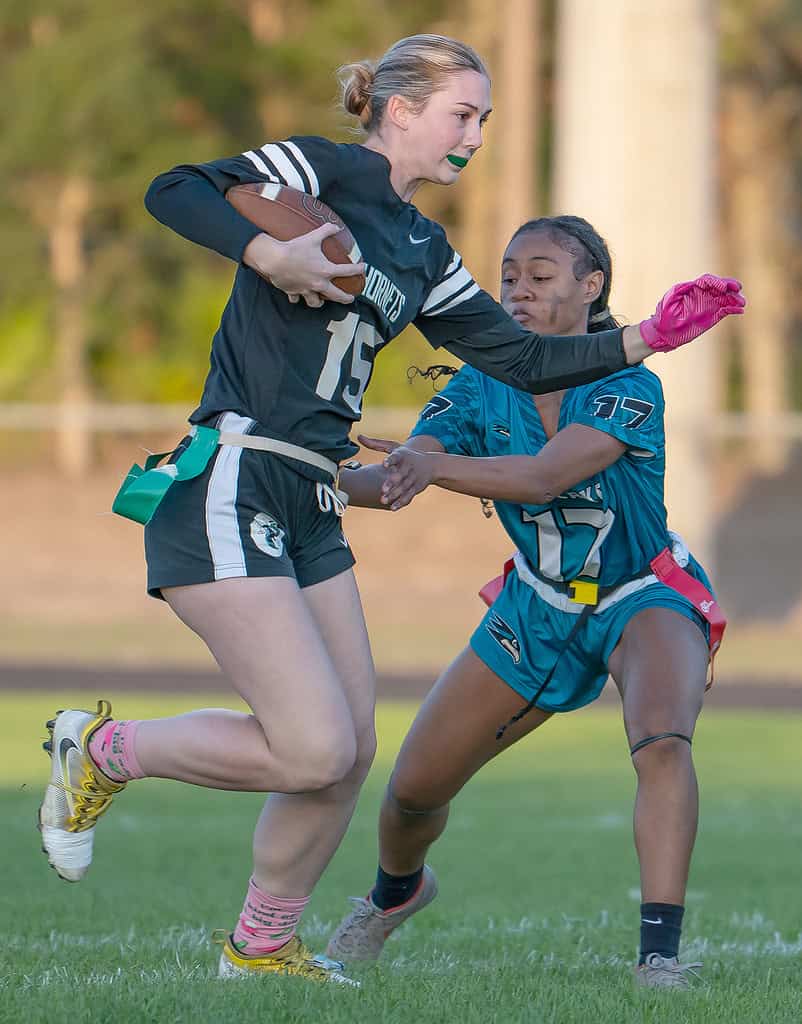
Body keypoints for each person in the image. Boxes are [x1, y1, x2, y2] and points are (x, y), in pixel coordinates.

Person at [38, 31, 743, 988]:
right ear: (400, 110)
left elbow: (527, 360)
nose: (477, 136)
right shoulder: (319, 171)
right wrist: (264, 251)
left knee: (350, 752)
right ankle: (103, 748)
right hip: (241, 466)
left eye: (487, 119)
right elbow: (175, 187)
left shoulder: (424, 249)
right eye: (464, 114)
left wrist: (648, 334)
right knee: (314, 741)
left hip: (313, 492)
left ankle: (262, 947)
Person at [327, 215, 730, 989]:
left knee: (662, 742)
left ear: (590, 288)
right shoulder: (479, 384)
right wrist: (307, 470)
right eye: (508, 276)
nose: (517, 290)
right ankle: (394, 895)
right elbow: (394, 481)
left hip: (639, 593)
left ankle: (659, 959)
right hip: (536, 603)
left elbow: (545, 475)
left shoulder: (630, 384)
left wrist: (429, 469)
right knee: (412, 792)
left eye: (540, 277)